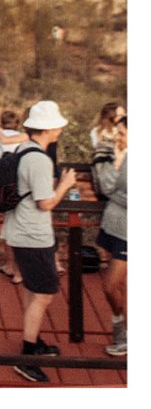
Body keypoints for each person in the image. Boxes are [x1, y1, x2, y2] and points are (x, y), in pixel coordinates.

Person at [3, 100, 79, 382]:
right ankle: (27, 353)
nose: (60, 129)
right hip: (33, 235)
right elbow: (45, 203)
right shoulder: (39, 159)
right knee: (45, 292)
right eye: (57, 125)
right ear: (49, 129)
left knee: (33, 290)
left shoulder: (25, 150)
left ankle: (33, 341)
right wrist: (65, 185)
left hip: (21, 231)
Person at [92, 115, 127, 356]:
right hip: (111, 225)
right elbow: (104, 186)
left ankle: (120, 330)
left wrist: (116, 194)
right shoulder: (118, 156)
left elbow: (112, 189)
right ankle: (124, 331)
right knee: (117, 285)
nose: (118, 137)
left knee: (109, 285)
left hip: (128, 232)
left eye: (122, 133)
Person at [0, 110, 29, 285]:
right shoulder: (24, 138)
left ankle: (12, 266)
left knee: (10, 226)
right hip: (21, 186)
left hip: (2, 187)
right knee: (16, 226)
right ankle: (16, 269)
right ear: (18, 122)